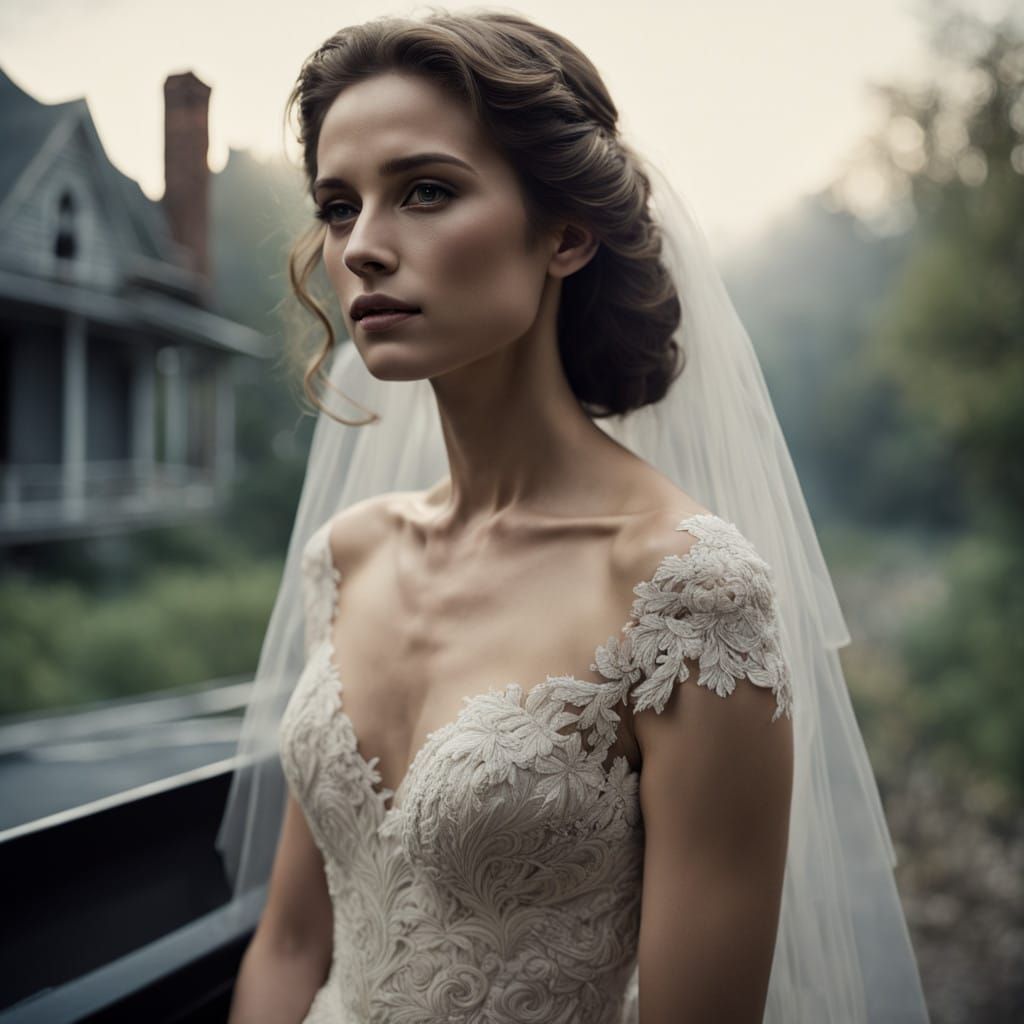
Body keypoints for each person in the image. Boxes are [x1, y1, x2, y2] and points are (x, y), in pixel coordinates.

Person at [218, 9, 931, 1023]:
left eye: (425, 191)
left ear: (565, 234)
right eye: (338, 207)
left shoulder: (685, 594)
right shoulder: (349, 552)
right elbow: (291, 944)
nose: (365, 247)